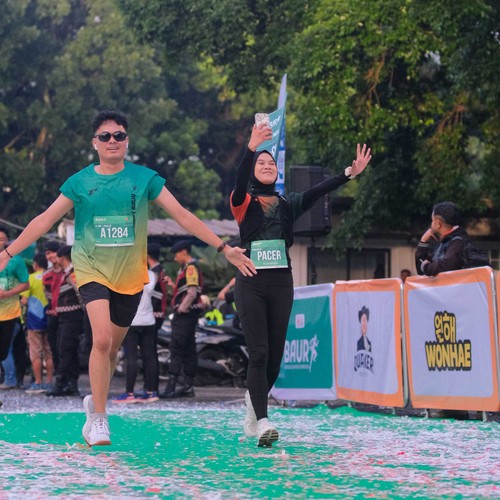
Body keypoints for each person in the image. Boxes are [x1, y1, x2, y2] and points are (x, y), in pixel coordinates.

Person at [0, 110, 255, 447]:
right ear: (95, 143)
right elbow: (45, 220)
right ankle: (100, 419)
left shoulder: (144, 179)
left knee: (111, 350)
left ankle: (94, 402)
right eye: (105, 136)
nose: (112, 141)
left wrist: (224, 248)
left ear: (127, 141)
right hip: (91, 269)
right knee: (102, 339)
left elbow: (182, 215)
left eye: (119, 135)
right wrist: (7, 253)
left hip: (130, 276)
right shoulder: (79, 182)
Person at [231, 122, 371, 447]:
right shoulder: (242, 201)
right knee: (258, 353)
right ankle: (263, 422)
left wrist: (349, 174)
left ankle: (253, 405)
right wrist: (251, 146)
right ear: (253, 170)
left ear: (277, 171)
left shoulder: (287, 203)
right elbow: (238, 181)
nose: (267, 166)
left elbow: (317, 192)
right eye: (260, 163)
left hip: (282, 282)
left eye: (271, 163)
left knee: (275, 358)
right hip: (251, 282)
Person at [159, 240, 205, 399]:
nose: (175, 258)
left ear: (184, 252)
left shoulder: (190, 268)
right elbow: (185, 291)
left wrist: (181, 309)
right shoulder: (187, 268)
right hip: (190, 316)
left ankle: (171, 387)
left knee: (177, 347)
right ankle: (188, 386)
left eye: (176, 254)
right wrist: (173, 285)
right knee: (188, 348)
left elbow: (192, 293)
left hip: (185, 316)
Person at [112, 268, 159, 404]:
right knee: (149, 356)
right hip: (149, 321)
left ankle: (129, 393)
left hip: (132, 321)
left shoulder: (126, 272)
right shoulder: (151, 275)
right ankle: (151, 392)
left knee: (131, 357)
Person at [46, 245, 86, 397]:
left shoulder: (73, 273)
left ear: (62, 258)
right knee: (69, 350)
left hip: (72, 315)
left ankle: (61, 383)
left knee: (65, 348)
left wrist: (85, 311)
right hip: (64, 316)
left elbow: (80, 294)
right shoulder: (66, 273)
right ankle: (71, 384)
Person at [0, 225, 29, 391]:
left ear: (6, 241)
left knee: (6, 349)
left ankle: (10, 379)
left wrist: (7, 293)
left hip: (10, 314)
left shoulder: (16, 261)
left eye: (1, 239)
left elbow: (26, 284)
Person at [21, 253, 55, 394]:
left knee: (35, 352)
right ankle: (49, 382)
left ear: (35, 264)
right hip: (49, 318)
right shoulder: (50, 276)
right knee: (48, 352)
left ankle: (38, 382)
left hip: (34, 321)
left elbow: (24, 300)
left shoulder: (31, 278)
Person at [415, 201, 468, 276]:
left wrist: (426, 266)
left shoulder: (458, 242)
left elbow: (445, 266)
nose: (431, 224)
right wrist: (423, 242)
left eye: (432, 221)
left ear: (438, 223)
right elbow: (421, 269)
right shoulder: (445, 242)